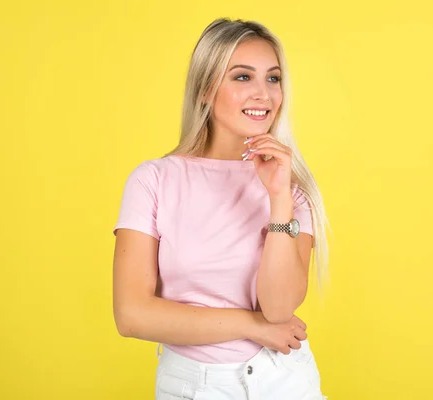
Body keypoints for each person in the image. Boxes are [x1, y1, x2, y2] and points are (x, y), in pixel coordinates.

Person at [112, 17, 330, 399]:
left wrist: (278, 198)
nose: (263, 94)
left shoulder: (292, 191)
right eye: (243, 77)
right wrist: (253, 326)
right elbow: (132, 315)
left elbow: (278, 310)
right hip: (192, 386)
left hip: (283, 382)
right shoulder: (155, 181)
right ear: (205, 89)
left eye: (273, 78)